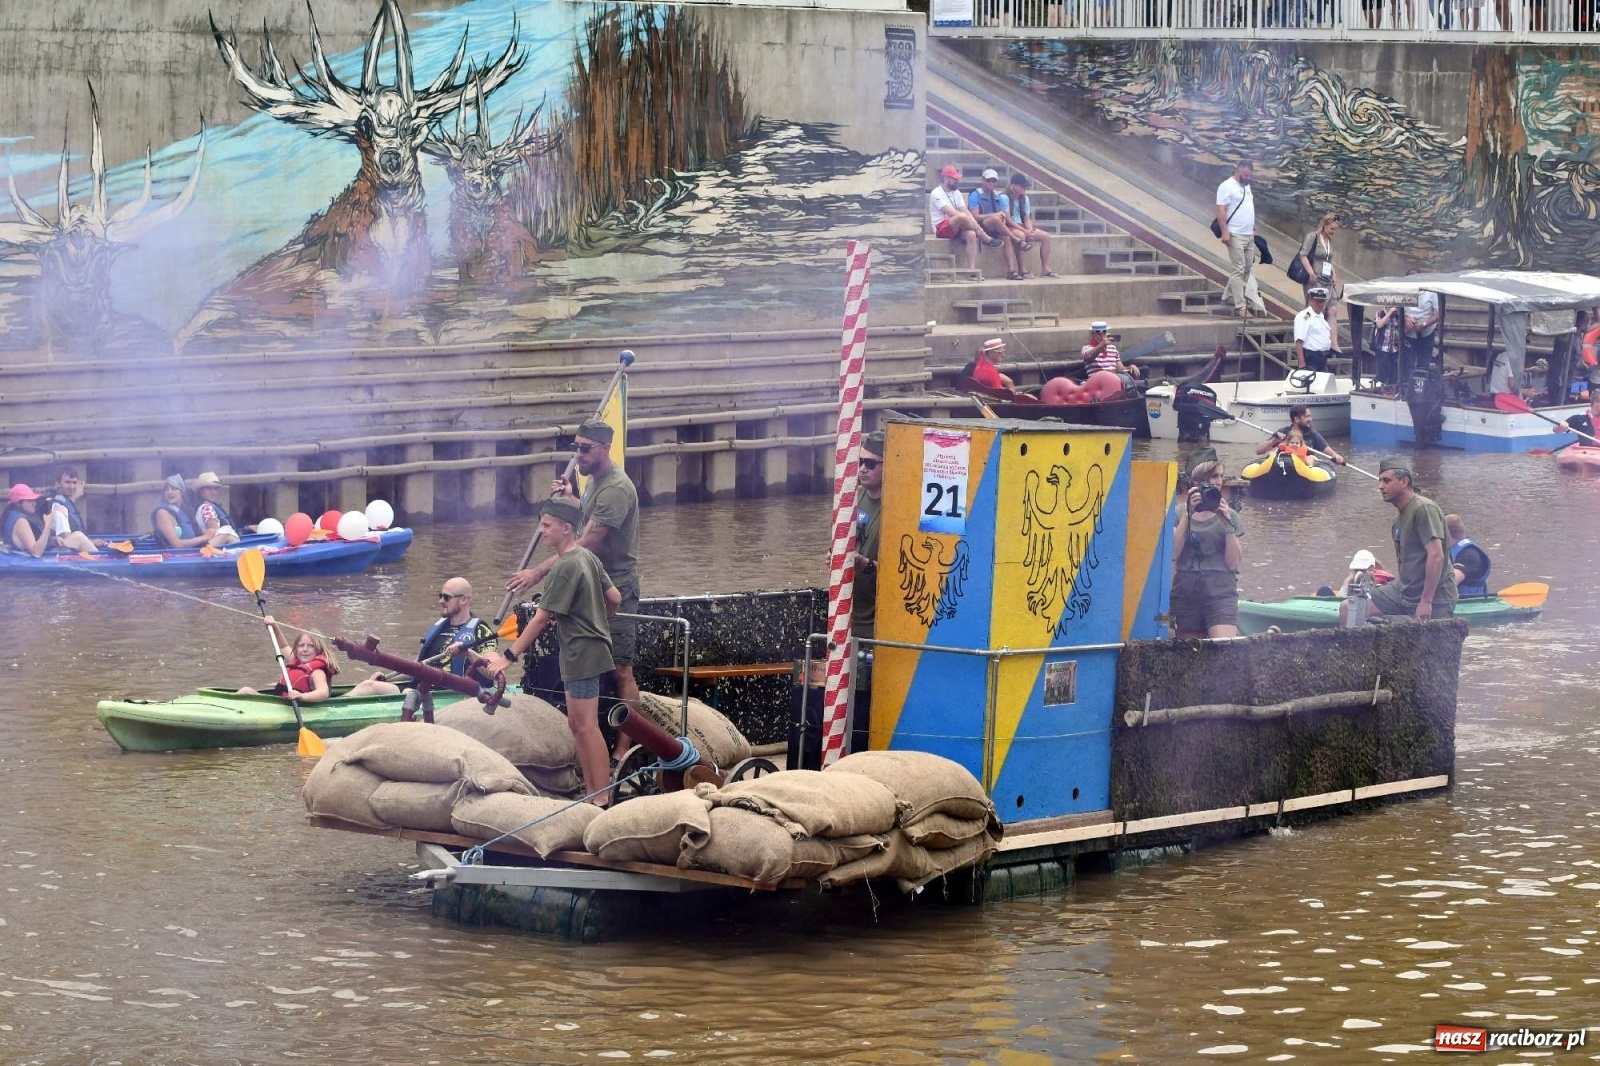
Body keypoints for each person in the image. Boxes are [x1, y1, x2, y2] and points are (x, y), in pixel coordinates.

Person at [507, 418, 641, 760]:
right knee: (589, 663)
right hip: (589, 580)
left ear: (605, 448)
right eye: (575, 447)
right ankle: (589, 739)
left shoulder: (616, 488)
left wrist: (537, 572)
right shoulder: (594, 481)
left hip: (615, 580)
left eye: (585, 448)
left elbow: (585, 543)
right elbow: (588, 518)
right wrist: (572, 499)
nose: (578, 454)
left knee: (621, 669)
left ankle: (624, 749)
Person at [485, 498, 620, 804]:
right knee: (577, 724)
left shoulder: (565, 567)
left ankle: (601, 797)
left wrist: (508, 657)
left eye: (547, 525)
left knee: (585, 726)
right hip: (588, 646)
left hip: (582, 650)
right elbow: (615, 598)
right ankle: (592, 791)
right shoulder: (586, 557)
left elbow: (541, 617)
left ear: (566, 528)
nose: (541, 531)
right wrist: (599, 617)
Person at [347, 577, 500, 697]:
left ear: (464, 600)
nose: (441, 601)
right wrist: (388, 678)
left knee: (381, 689)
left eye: (446, 597)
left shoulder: (481, 631)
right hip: (424, 687)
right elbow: (419, 665)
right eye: (441, 596)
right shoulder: (440, 626)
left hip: (451, 694)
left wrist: (469, 653)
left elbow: (495, 672)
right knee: (369, 684)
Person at [1360, 457, 1457, 622]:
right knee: (1350, 608)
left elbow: (1436, 556)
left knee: (1431, 645)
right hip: (1405, 591)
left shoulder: (1423, 509)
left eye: (1386, 481)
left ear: (1404, 481)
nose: (1380, 486)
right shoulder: (1399, 518)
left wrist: (1426, 602)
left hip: (1436, 597)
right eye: (1380, 481)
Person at [1172, 449, 1244, 638]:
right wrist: (1189, 514)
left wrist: (1228, 524)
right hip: (1186, 591)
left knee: (1223, 649)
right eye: (1213, 476)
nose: (1219, 481)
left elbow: (1234, 564)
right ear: (1197, 482)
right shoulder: (1178, 514)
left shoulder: (1231, 515)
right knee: (1189, 654)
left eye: (1221, 476)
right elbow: (1172, 554)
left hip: (1221, 591)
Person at [237, 618, 337, 703]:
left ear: (319, 650)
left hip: (299, 707)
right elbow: (284, 646)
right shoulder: (296, 659)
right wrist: (275, 627)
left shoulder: (317, 672)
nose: (305, 649)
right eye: (301, 645)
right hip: (280, 703)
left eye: (311, 646)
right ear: (296, 648)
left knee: (245, 691)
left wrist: (301, 696)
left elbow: (323, 693)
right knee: (245, 690)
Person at [1215, 160, 1265, 319]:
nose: (1247, 178)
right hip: (1234, 233)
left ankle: (1228, 296)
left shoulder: (1246, 187)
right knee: (1238, 268)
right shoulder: (1226, 186)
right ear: (1238, 170)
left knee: (1247, 267)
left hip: (1248, 234)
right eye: (1245, 175)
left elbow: (1248, 207)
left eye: (1249, 176)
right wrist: (1225, 233)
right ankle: (1240, 306)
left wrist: (1252, 229)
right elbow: (1221, 210)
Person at [3, 483, 96, 556]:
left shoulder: (12, 514)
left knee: (77, 536)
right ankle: (101, 562)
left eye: (33, 500)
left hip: (39, 551)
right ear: (18, 504)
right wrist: (48, 524)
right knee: (79, 537)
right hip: (43, 556)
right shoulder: (20, 521)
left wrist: (53, 540)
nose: (34, 503)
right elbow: (36, 552)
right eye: (29, 501)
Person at [929, 165, 990, 273]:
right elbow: (949, 212)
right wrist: (966, 218)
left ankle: (971, 271)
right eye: (954, 179)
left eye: (957, 178)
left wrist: (974, 223)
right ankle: (984, 236)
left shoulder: (957, 193)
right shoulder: (936, 193)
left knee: (971, 234)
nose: (957, 181)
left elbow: (965, 211)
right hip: (941, 228)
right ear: (946, 178)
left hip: (956, 227)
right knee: (961, 216)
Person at [967, 169, 1026, 280]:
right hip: (981, 225)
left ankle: (1011, 271)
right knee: (995, 218)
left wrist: (1000, 219)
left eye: (994, 181)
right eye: (989, 180)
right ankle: (1018, 240)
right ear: (983, 181)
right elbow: (975, 216)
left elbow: (1002, 214)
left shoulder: (996, 195)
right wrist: (994, 215)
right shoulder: (975, 195)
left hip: (996, 226)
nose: (991, 183)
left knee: (1006, 236)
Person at [1295, 212, 1344, 336]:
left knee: (1332, 309)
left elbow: (1328, 260)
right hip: (1315, 279)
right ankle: (1302, 325)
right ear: (1325, 225)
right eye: (1332, 229)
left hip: (1327, 280)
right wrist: (1311, 273)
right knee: (1314, 310)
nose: (1334, 232)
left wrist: (1334, 272)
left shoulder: (1329, 241)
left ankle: (1333, 344)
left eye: (1336, 229)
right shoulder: (1313, 237)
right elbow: (1303, 255)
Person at [152, 474, 227, 550]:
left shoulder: (181, 511)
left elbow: (195, 535)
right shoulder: (162, 513)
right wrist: (204, 537)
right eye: (166, 489)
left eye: (174, 489)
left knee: (227, 533)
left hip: (189, 553)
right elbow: (176, 544)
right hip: (177, 557)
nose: (169, 492)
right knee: (227, 535)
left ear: (181, 492)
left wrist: (207, 534)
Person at [1005, 173, 1057, 278]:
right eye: (1022, 186)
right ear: (1014, 185)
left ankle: (1045, 269)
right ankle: (1022, 269)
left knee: (1045, 236)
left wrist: (1030, 231)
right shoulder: (1004, 197)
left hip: (1022, 225)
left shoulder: (1025, 198)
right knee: (1021, 236)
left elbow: (1027, 218)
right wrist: (1025, 232)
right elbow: (1008, 220)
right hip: (1010, 226)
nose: (1025, 188)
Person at [1255, 405, 1346, 464]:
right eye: (1307, 417)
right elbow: (1259, 451)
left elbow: (1328, 450)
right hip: (1283, 464)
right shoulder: (1283, 433)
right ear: (1297, 419)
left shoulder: (1312, 434)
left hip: (1304, 470)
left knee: (1312, 458)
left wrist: (1336, 456)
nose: (1310, 419)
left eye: (1310, 416)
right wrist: (1274, 441)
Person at [1081, 321, 1141, 389]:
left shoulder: (1112, 348)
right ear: (1093, 334)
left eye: (1104, 332)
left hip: (1114, 383)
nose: (1102, 335)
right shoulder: (1086, 348)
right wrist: (1101, 345)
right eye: (1099, 333)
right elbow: (1089, 356)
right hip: (1097, 384)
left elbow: (1121, 369)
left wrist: (1130, 367)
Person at [1402, 282, 1441, 387]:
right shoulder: (1403, 291)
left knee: (1424, 363)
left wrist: (1424, 324)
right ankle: (1407, 389)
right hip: (1408, 333)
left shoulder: (1431, 292)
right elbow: (1395, 309)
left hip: (1426, 332)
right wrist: (1405, 319)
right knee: (1408, 363)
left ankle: (1421, 388)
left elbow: (1439, 312)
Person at [190, 472, 243, 546]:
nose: (213, 492)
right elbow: (214, 533)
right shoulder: (206, 508)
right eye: (209, 488)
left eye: (216, 489)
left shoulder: (206, 506)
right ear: (201, 491)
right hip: (214, 550)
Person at [1445, 514, 1491, 597]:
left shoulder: (1469, 554)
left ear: (1444, 533)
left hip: (1470, 604)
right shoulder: (1450, 550)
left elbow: (1450, 582)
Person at [1293, 288, 1335, 373]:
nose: (1320, 304)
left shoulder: (1321, 316)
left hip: (1323, 357)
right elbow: (1299, 340)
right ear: (1310, 300)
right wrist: (1302, 363)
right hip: (1311, 358)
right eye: (1317, 301)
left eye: (1322, 301)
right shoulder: (1305, 316)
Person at [1372, 304, 1404, 388]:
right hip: (1382, 349)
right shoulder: (1380, 313)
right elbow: (1379, 325)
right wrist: (1389, 313)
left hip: (1395, 349)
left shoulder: (1398, 316)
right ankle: (1380, 391)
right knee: (1382, 374)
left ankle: (1391, 391)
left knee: (1394, 375)